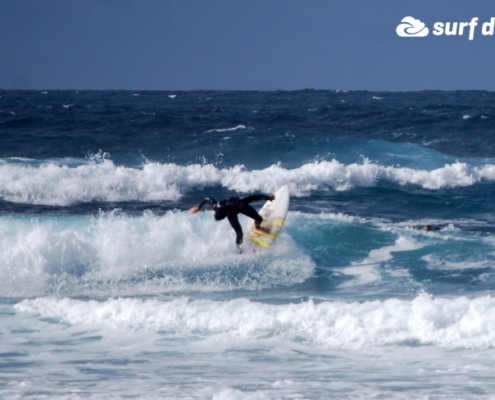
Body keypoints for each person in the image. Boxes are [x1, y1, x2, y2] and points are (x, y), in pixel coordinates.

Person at [189, 193, 275, 246]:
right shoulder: (216, 207)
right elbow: (207, 198)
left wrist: (267, 197)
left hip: (239, 207)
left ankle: (258, 227)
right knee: (239, 233)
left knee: (259, 219)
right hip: (231, 212)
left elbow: (253, 198)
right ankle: (239, 249)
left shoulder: (238, 203)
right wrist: (198, 207)